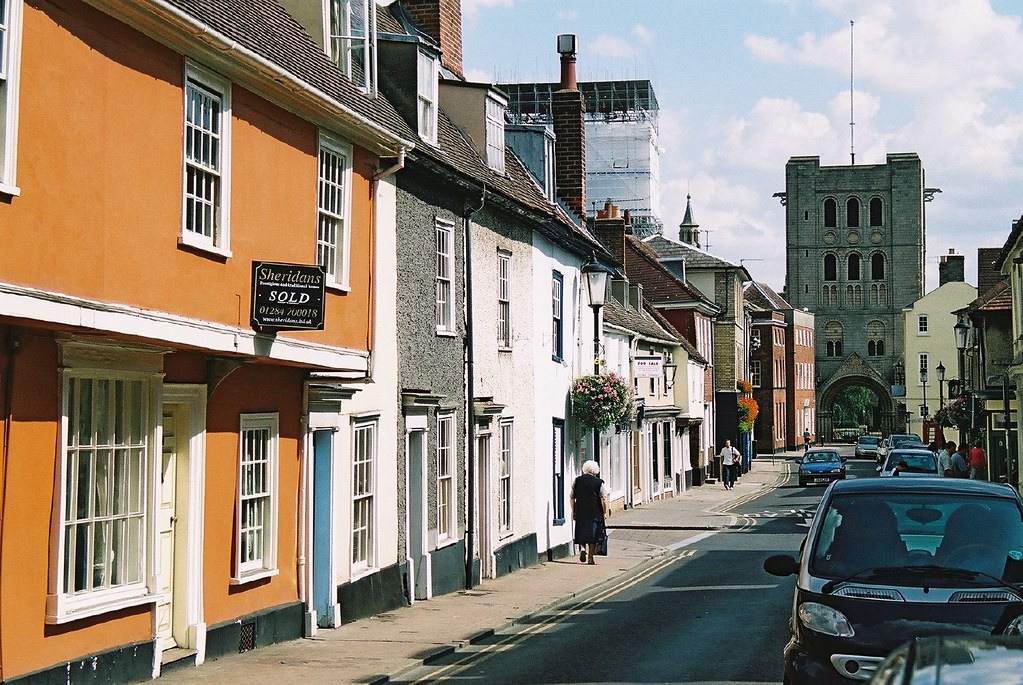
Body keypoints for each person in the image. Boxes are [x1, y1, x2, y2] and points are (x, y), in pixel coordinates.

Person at [570, 460, 608, 565]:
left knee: (581, 531)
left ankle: (582, 549)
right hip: (595, 512)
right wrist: (605, 512)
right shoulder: (599, 482)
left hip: (581, 510)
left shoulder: (577, 481)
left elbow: (572, 497)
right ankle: (590, 557)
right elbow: (604, 498)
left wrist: (574, 511)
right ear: (596, 470)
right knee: (593, 535)